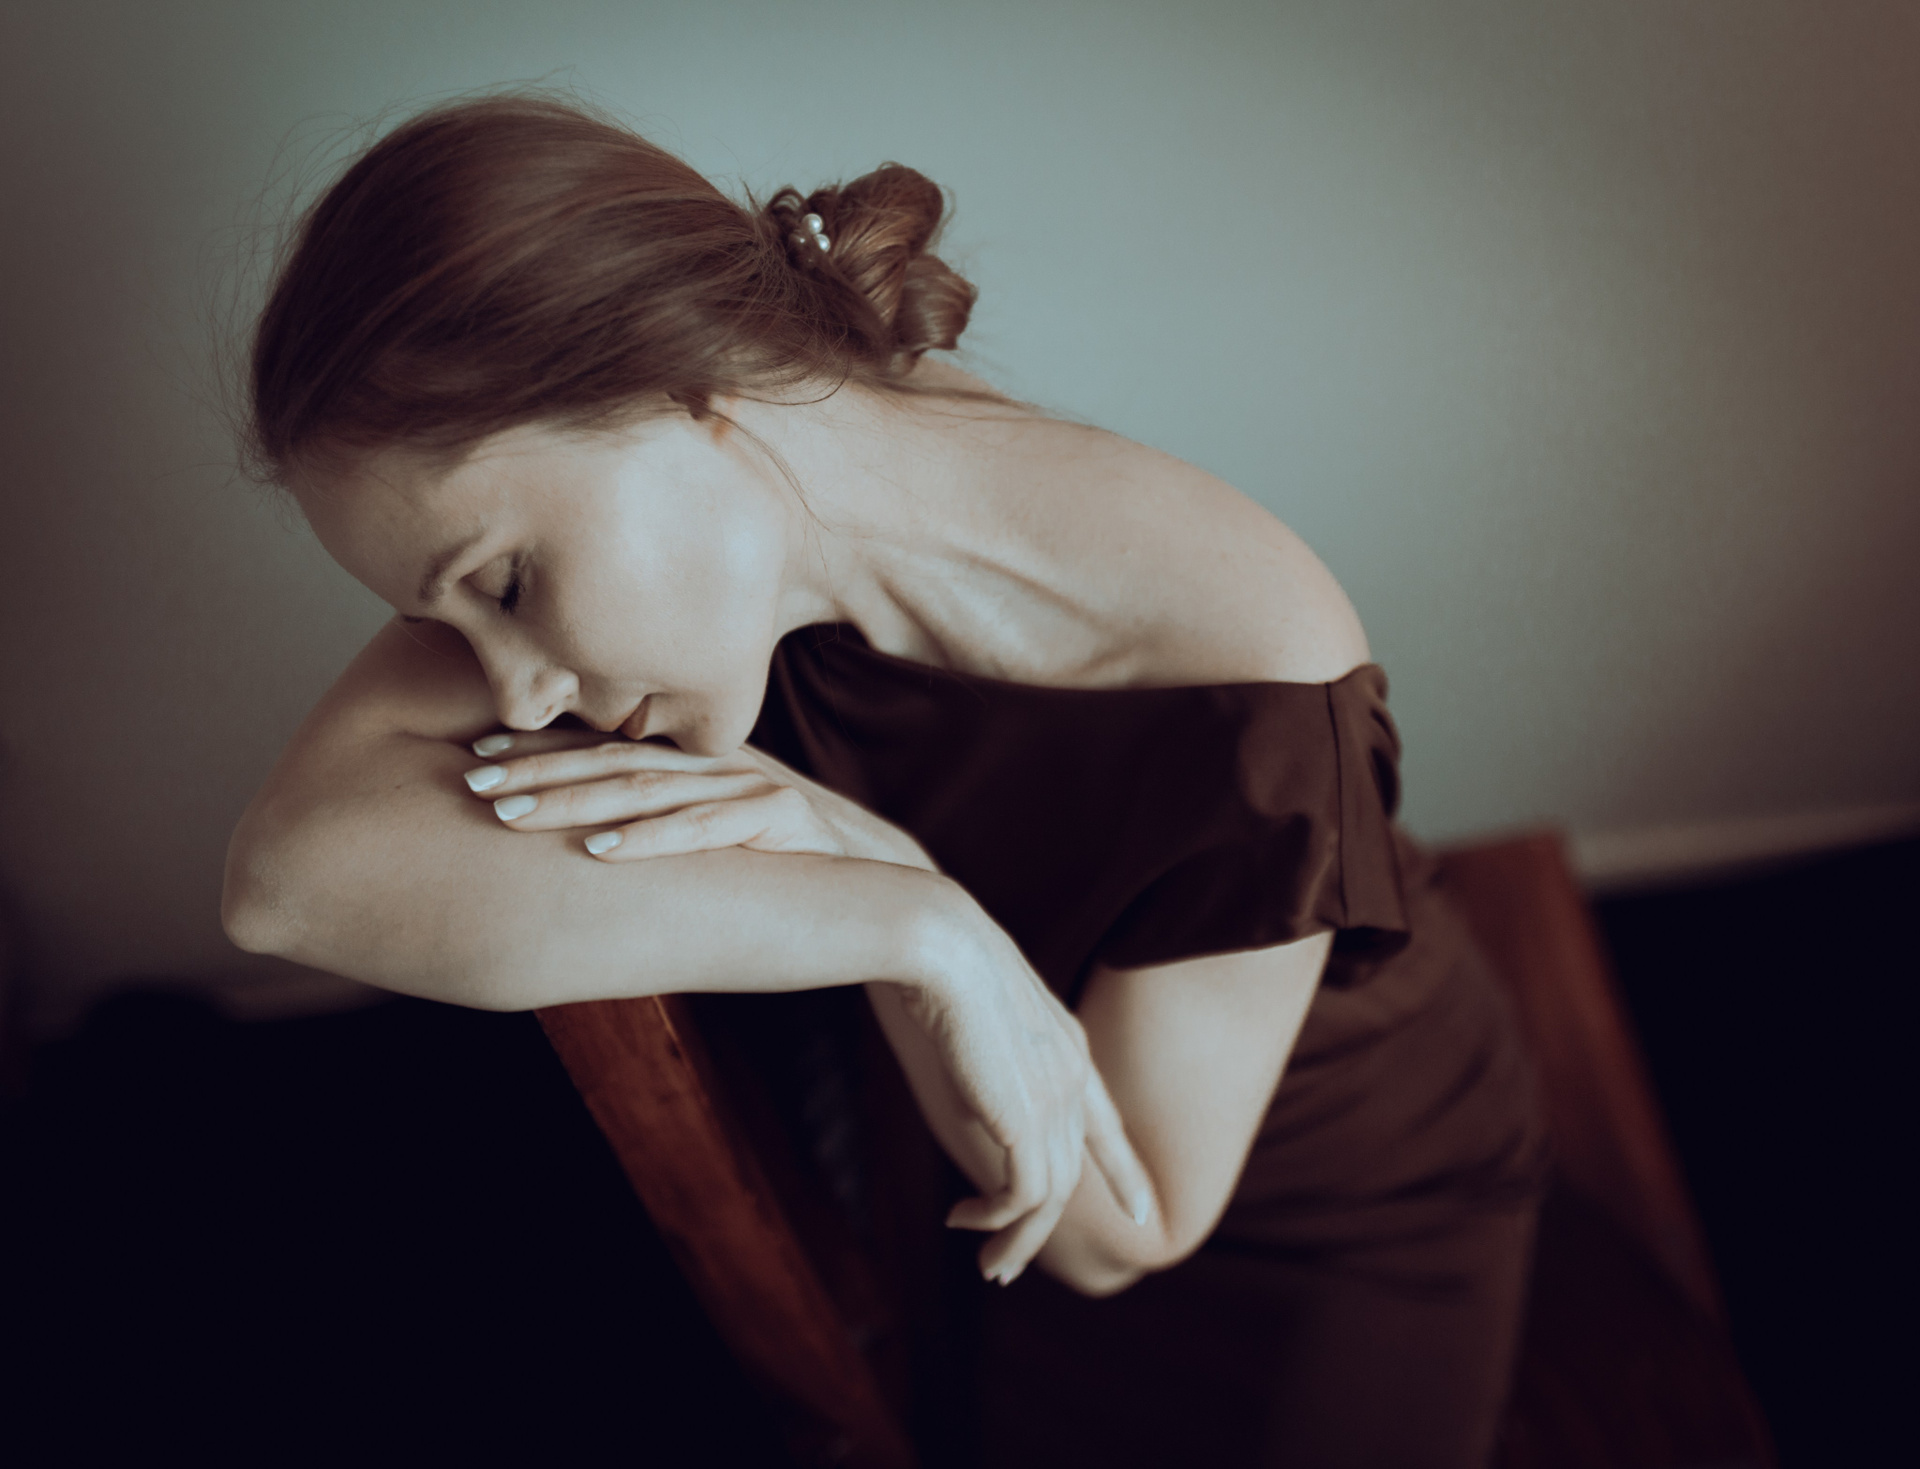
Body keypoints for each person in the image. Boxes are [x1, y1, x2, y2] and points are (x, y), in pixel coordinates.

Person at [222, 94, 1548, 1467]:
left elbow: (1122, 1228)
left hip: (1315, 1210)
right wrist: (912, 924)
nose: (514, 693)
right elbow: (285, 882)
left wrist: (886, 872)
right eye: (449, 622)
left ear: (686, 388)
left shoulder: (1257, 656)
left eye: (503, 585)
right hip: (953, 1154)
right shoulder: (719, 531)